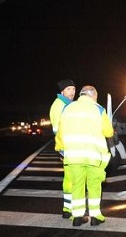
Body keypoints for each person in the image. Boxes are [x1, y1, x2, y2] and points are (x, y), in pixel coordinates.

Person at [55, 85, 114, 227]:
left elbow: (60, 132)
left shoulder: (67, 108)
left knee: (77, 186)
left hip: (73, 156)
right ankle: (95, 216)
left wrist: (60, 149)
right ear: (93, 95)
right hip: (94, 156)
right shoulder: (98, 109)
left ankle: (77, 217)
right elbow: (108, 132)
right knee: (94, 185)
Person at [49, 79, 76, 219]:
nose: (72, 92)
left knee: (69, 177)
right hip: (68, 146)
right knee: (74, 177)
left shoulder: (67, 104)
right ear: (62, 92)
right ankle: (73, 209)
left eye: (73, 89)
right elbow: (57, 129)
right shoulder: (59, 105)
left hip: (67, 146)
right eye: (69, 89)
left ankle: (67, 207)